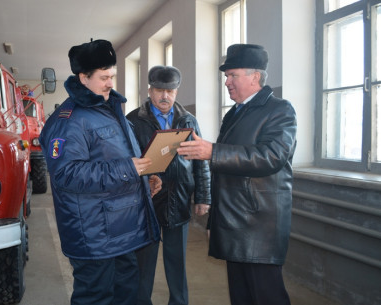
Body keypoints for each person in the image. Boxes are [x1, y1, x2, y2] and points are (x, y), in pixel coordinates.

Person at [39, 39, 161, 305]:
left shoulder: (111, 111)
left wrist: (142, 179)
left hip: (122, 229)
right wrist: (127, 169)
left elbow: (119, 158)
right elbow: (66, 174)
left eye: (112, 76)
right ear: (83, 78)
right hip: (93, 235)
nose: (110, 83)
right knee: (96, 297)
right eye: (104, 77)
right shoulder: (69, 120)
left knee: (125, 294)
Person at [177, 44, 297, 305]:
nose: (227, 83)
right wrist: (215, 223)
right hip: (233, 223)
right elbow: (226, 171)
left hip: (258, 226)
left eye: (233, 76)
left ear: (255, 77)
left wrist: (213, 151)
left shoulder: (279, 110)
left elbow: (272, 157)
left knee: (266, 295)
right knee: (241, 296)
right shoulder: (235, 112)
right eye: (226, 77)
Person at [126, 66, 211, 305]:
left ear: (176, 91)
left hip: (179, 197)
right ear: (150, 90)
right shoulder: (133, 120)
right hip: (147, 201)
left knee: (177, 262)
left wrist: (204, 197)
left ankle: (179, 302)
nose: (165, 96)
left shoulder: (188, 120)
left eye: (170, 90)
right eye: (160, 90)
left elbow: (200, 160)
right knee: (144, 262)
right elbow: (126, 162)